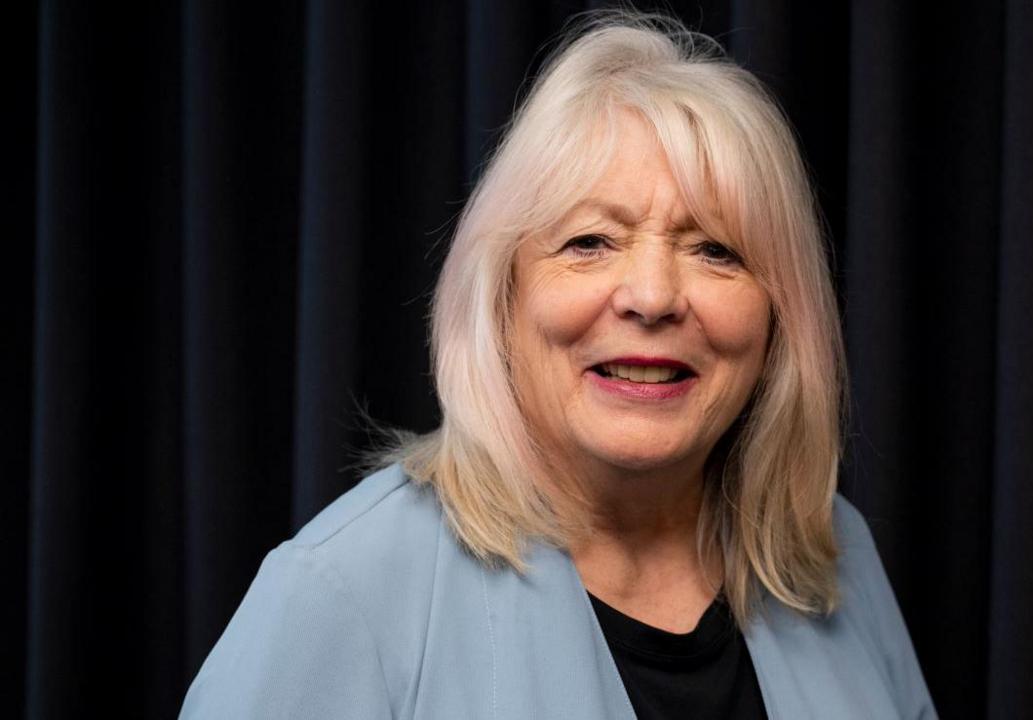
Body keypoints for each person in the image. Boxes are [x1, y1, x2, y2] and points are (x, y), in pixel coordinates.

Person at [178, 9, 936, 719]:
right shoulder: (340, 594)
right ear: (502, 296)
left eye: (716, 250)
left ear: (782, 314)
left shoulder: (836, 554)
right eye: (589, 243)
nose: (652, 297)